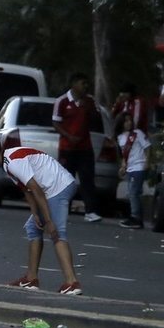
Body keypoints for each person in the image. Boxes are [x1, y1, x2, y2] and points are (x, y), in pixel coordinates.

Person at [0, 135, 84, 295]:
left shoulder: (14, 162)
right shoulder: (7, 162)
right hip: (54, 186)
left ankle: (72, 282)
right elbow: (26, 189)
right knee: (33, 227)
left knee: (56, 232)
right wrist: (35, 213)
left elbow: (35, 189)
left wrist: (49, 220)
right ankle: (31, 279)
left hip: (58, 187)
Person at [53, 73, 103, 222]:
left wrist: (91, 107)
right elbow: (56, 123)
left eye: (87, 84)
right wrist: (68, 136)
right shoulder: (61, 101)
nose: (85, 86)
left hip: (85, 148)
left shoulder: (89, 101)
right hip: (67, 148)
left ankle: (90, 211)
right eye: (83, 83)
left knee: (87, 179)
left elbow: (96, 120)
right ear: (74, 84)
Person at [117, 112, 151, 229]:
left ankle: (135, 216)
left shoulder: (137, 134)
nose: (129, 123)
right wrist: (123, 166)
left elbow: (147, 147)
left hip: (139, 166)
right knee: (132, 193)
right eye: (126, 121)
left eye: (130, 120)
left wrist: (147, 162)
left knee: (134, 192)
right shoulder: (120, 137)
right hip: (130, 167)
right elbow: (124, 155)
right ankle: (137, 217)